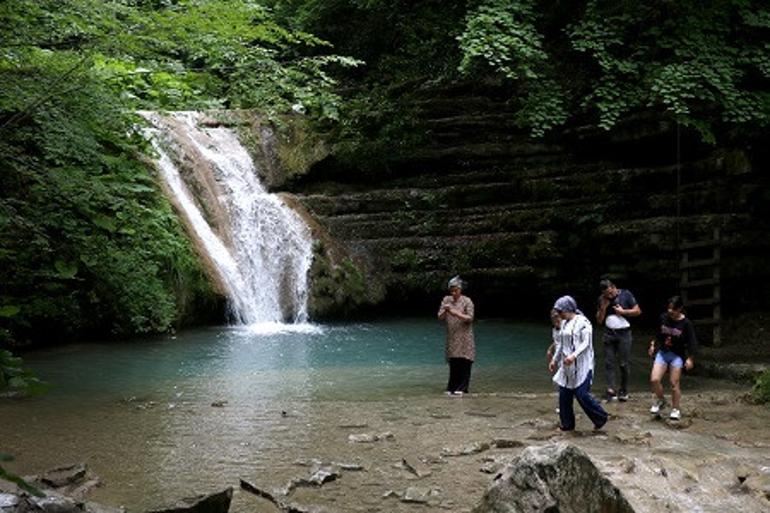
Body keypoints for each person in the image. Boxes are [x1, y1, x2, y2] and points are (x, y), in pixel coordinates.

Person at [549, 296, 608, 431]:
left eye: (561, 311)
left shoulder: (584, 322)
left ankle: (601, 417)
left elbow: (586, 343)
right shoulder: (563, 323)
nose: (559, 314)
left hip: (582, 365)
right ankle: (567, 425)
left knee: (582, 394)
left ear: (568, 309)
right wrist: (554, 360)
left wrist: (573, 356)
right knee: (564, 396)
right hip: (567, 367)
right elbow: (561, 344)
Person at [648, 296, 698, 420]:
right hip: (663, 352)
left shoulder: (686, 323)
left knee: (674, 383)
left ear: (680, 309)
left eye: (673, 309)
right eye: (669, 308)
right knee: (654, 380)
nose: (670, 311)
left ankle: (675, 409)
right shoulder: (663, 318)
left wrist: (690, 358)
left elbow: (692, 342)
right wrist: (653, 345)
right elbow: (657, 333)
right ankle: (661, 400)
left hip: (677, 355)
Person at [596, 279, 641, 402]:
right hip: (609, 333)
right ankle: (610, 389)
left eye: (611, 293)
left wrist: (623, 312)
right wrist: (603, 308)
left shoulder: (626, 294)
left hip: (624, 333)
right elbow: (599, 321)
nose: (610, 296)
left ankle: (624, 389)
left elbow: (638, 311)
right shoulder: (602, 299)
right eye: (607, 294)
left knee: (623, 363)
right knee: (609, 362)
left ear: (614, 287)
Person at [438, 276, 475, 396]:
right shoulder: (446, 300)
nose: (453, 293)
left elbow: (470, 318)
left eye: (456, 290)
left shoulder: (467, 301)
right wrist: (446, 310)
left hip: (464, 337)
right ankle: (451, 387)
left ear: (460, 289)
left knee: (464, 361)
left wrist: (455, 313)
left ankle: (463, 388)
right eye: (452, 290)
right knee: (453, 362)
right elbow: (440, 317)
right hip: (452, 336)